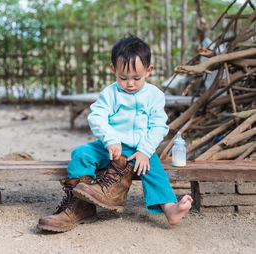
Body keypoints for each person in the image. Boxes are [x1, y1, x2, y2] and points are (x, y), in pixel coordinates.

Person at [37, 34, 193, 232]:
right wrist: (110, 140)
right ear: (113, 70)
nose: (129, 83)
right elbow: (97, 117)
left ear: (148, 70)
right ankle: (81, 205)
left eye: (137, 78)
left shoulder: (155, 95)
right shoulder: (110, 94)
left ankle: (170, 208)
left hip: (139, 150)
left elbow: (159, 126)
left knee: (154, 171)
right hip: (112, 147)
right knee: (80, 153)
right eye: (123, 77)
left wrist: (145, 151)